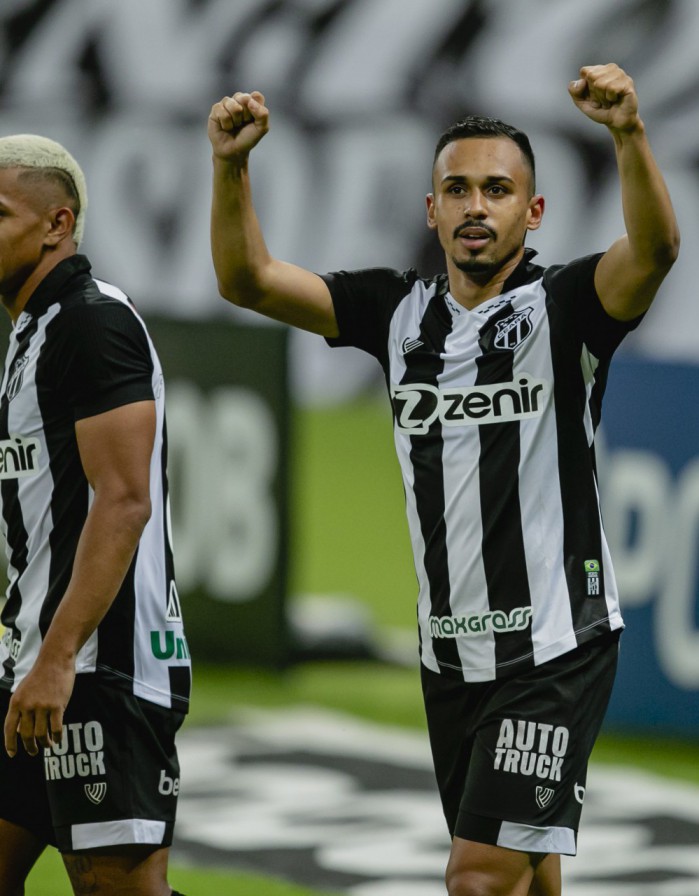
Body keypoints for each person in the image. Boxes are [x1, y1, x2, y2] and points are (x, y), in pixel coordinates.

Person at [207, 63, 679, 896]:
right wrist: (231, 165)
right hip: (449, 654)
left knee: (476, 876)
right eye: (456, 190)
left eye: (496, 190)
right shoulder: (393, 311)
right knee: (525, 870)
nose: (474, 207)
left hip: (552, 646)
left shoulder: (566, 305)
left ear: (533, 211)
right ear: (430, 210)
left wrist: (627, 134)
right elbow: (247, 281)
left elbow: (654, 251)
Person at [0, 135, 190, 896]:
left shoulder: (92, 322)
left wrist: (58, 655)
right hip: (34, 666)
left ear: (57, 224)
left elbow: (124, 499)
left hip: (96, 670)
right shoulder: (32, 329)